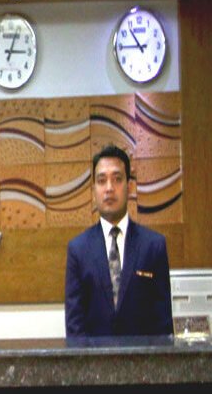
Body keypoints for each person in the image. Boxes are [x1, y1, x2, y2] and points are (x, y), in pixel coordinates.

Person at [64, 144, 173, 338]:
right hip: (93, 357)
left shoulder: (153, 246)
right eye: (101, 181)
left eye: (117, 179)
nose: (109, 188)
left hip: (143, 356)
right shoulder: (78, 249)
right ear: (93, 190)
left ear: (129, 187)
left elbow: (163, 325)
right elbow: (75, 327)